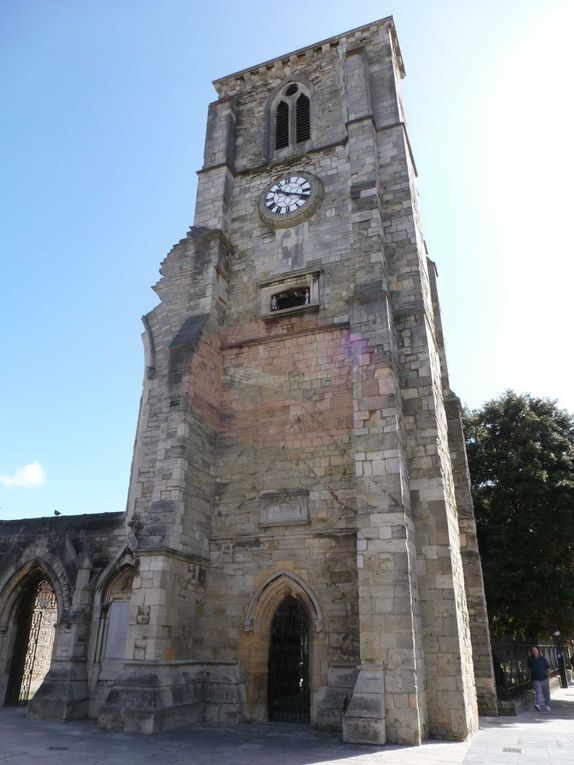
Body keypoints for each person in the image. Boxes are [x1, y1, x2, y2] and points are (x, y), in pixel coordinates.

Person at [527, 646, 551, 711]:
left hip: (544, 679)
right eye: (533, 651)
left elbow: (548, 669)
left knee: (546, 693)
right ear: (531, 652)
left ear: (538, 651)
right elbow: (529, 669)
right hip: (535, 679)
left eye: (535, 650)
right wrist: (529, 678)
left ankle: (547, 705)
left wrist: (548, 678)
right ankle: (538, 704)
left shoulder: (543, 659)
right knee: (538, 692)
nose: (534, 652)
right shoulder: (530, 659)